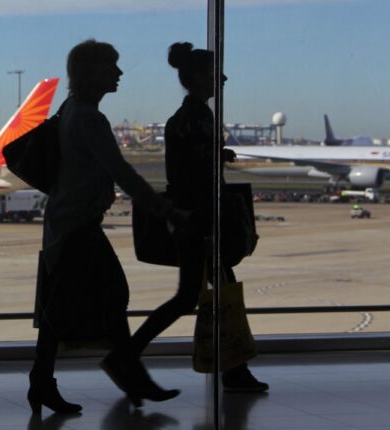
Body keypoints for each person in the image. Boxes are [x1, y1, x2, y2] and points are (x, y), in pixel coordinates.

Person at [28, 39, 181, 415]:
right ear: (93, 71)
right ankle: (126, 374)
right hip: (77, 225)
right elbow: (121, 170)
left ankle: (48, 383)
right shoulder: (89, 119)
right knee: (109, 296)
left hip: (67, 222)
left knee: (62, 308)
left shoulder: (71, 110)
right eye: (112, 66)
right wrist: (162, 208)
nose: (119, 73)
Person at [129, 42, 269, 393]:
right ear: (196, 77)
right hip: (200, 221)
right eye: (213, 72)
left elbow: (187, 166)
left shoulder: (190, 117)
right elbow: (193, 175)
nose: (222, 78)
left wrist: (215, 153)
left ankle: (232, 368)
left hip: (195, 219)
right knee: (205, 295)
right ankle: (129, 354)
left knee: (198, 295)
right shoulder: (194, 118)